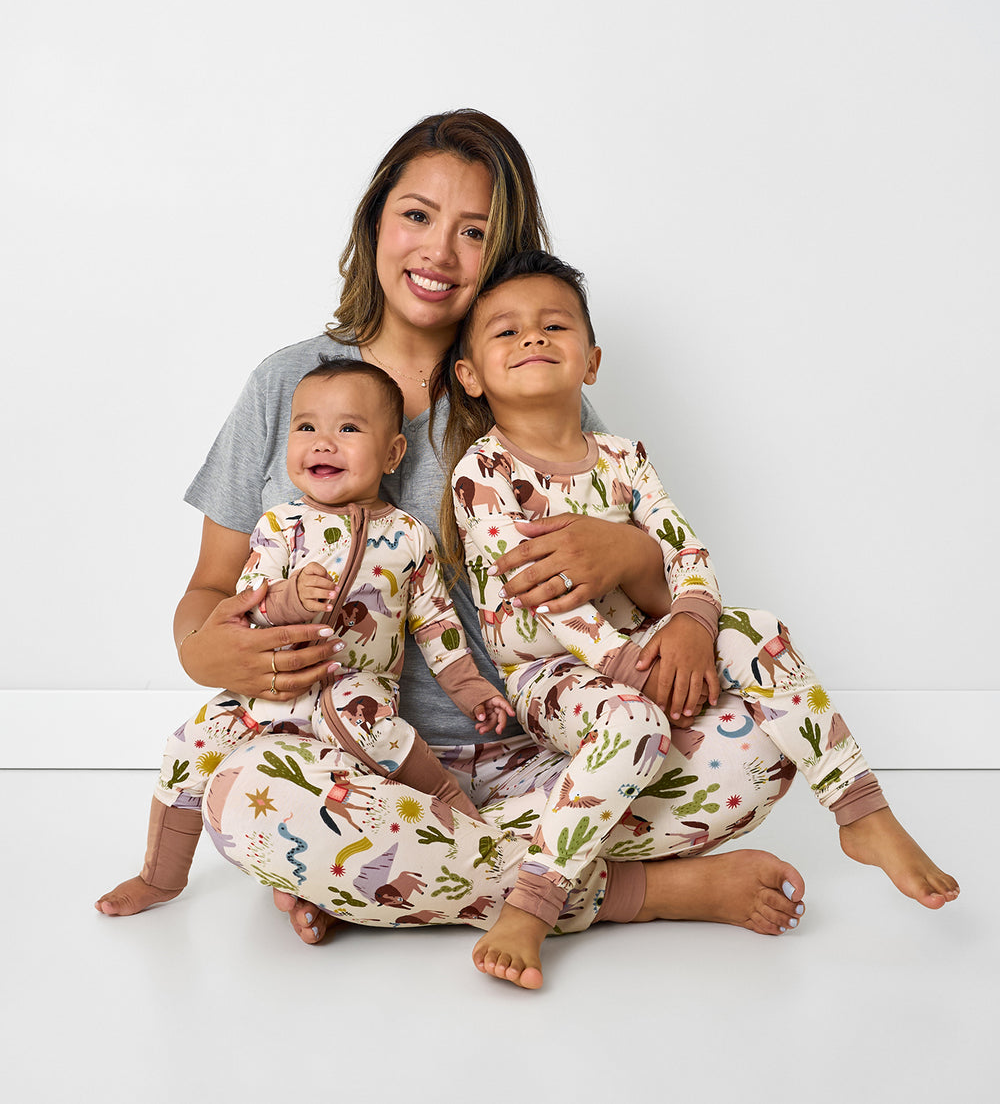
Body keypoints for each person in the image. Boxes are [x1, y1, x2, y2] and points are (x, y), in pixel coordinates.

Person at [95, 110, 958, 992]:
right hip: (352, 756)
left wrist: (627, 556)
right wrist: (208, 649)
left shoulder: (531, 379)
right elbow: (206, 591)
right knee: (252, 803)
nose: (439, 251)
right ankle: (638, 890)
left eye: (476, 232)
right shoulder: (288, 383)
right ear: (374, 221)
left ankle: (392, 883)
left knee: (765, 743)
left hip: (547, 750)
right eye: (417, 215)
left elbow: (654, 593)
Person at [444, 249, 955, 984]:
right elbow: (544, 598)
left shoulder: (623, 456)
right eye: (506, 332)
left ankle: (859, 809)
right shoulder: (482, 474)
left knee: (759, 627)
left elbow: (682, 547)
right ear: (471, 375)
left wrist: (692, 621)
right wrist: (630, 670)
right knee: (633, 723)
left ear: (590, 361)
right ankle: (533, 901)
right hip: (549, 671)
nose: (531, 339)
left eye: (553, 326)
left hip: (639, 649)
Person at [99, 357, 514, 911]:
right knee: (188, 746)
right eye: (306, 427)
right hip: (271, 693)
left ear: (392, 453)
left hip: (357, 691)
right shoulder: (279, 527)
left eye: (348, 428)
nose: (323, 443)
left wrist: (470, 690)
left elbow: (437, 623)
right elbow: (244, 607)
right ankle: (160, 876)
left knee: (377, 737)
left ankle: (456, 815)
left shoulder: (410, 537)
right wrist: (285, 600)